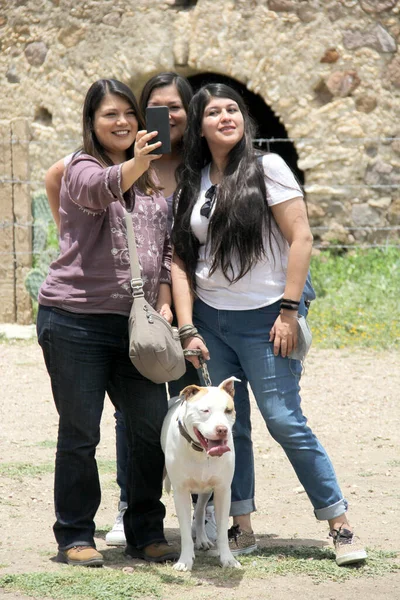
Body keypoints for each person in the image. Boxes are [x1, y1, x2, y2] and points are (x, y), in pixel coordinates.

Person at [171, 82, 367, 567]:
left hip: (267, 317)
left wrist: (288, 310)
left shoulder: (267, 168)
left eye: (232, 109)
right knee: (225, 430)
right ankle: (242, 528)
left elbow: (301, 237)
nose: (225, 117)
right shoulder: (191, 178)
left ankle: (339, 524)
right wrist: (189, 326)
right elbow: (182, 256)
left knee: (283, 420)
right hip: (212, 320)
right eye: (213, 112)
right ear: (199, 124)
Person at [44, 72, 217, 546]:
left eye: (128, 113)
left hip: (133, 326)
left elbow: (164, 250)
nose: (121, 121)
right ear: (92, 122)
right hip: (74, 319)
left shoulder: (156, 180)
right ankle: (76, 535)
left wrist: (163, 297)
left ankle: (145, 529)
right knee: (80, 433)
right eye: (109, 114)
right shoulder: (84, 165)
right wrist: (139, 162)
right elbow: (97, 188)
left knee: (145, 428)